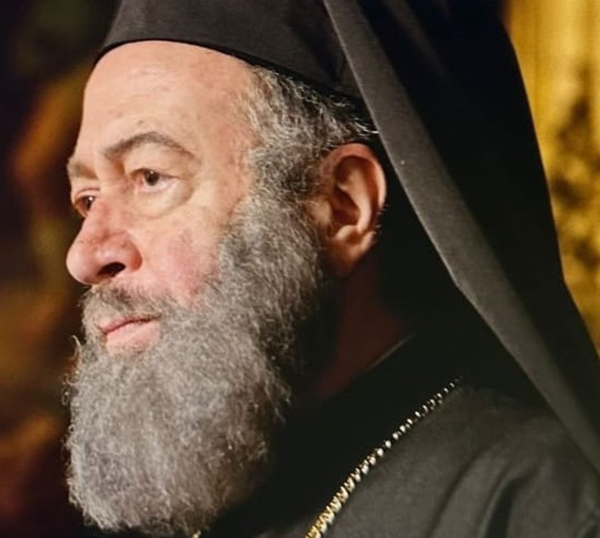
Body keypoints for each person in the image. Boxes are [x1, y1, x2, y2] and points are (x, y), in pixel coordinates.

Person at [61, 1, 600, 537]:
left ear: (342, 206)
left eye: (150, 177)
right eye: (87, 199)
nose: (84, 256)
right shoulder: (215, 500)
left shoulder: (531, 508)